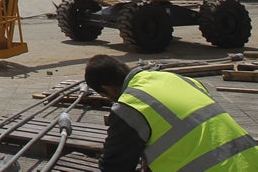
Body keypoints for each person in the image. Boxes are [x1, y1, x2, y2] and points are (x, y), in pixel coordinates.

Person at [84, 54, 258, 171]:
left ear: (107, 89)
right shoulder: (172, 78)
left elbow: (114, 166)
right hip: (250, 162)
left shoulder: (129, 106)